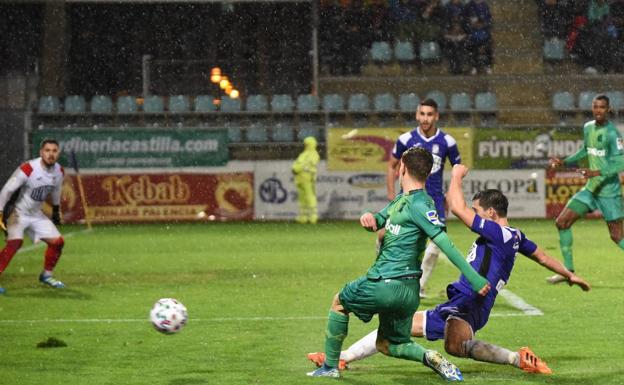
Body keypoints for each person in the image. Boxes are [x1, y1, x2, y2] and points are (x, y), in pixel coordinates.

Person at [308, 164, 591, 375]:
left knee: (456, 347)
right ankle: (343, 356)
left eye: (478, 210)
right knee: (400, 327)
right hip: (462, 302)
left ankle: (517, 358)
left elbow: (456, 207)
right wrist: (569, 274)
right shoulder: (514, 236)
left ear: (491, 213)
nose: (475, 214)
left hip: (471, 303)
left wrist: (455, 175)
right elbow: (541, 255)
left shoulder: (495, 232)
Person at [307, 147, 490, 380]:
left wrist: (474, 278)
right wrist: (369, 217)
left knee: (339, 302)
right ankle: (430, 357)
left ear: (402, 167)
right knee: (389, 344)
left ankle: (330, 367)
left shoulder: (419, 205)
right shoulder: (405, 201)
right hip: (408, 293)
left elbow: (445, 243)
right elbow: (380, 219)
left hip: (384, 282)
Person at [386, 98, 461, 298]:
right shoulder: (405, 140)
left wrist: (450, 194)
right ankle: (389, 276)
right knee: (395, 240)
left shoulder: (447, 142)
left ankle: (418, 286)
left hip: (434, 200)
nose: (425, 118)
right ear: (417, 115)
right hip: (407, 199)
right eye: (422, 114)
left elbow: (459, 170)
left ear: (436, 116)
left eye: (429, 114)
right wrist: (392, 195)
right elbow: (391, 165)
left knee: (436, 244)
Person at [548, 94, 624, 284]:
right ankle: (568, 271)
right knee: (562, 222)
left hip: (609, 192)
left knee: (617, 236)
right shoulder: (587, 127)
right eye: (595, 107)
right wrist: (564, 162)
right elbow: (585, 150)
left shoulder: (614, 133)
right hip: (591, 190)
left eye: (602, 107)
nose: (598, 110)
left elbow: (620, 161)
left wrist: (596, 172)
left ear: (608, 110)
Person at [0, 138, 67, 294]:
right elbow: (6, 191)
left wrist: (56, 209)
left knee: (58, 242)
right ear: (41, 152)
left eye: (54, 151)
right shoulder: (28, 168)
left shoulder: (59, 171)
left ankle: (46, 275)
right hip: (18, 212)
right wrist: (1, 212)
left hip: (36, 214)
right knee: (15, 243)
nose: (51, 154)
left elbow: (56, 190)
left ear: (58, 153)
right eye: (47, 150)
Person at [292, 136, 320, 224]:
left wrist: (296, 169)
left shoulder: (313, 154)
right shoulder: (304, 153)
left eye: (306, 144)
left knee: (310, 197)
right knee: (302, 198)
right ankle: (303, 217)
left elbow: (305, 165)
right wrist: (296, 168)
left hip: (307, 178)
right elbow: (299, 164)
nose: (305, 145)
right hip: (300, 179)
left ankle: (313, 217)